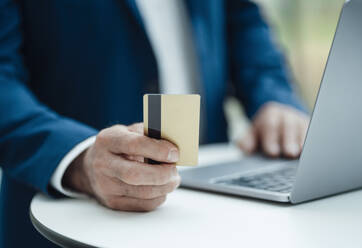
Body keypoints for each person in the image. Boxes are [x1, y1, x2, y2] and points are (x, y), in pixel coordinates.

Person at [0, 0, 309, 247]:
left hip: (211, 213)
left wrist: (275, 98)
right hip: (66, 223)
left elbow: (240, 16)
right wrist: (79, 159)